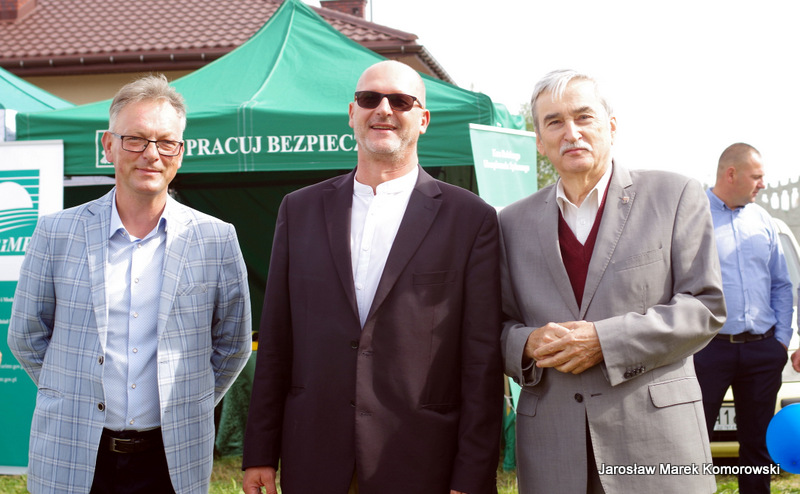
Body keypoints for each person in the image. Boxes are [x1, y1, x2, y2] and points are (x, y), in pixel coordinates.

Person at [241, 60, 503, 494]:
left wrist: (472, 474)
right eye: (369, 99)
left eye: (400, 101)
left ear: (423, 119)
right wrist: (260, 453)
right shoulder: (299, 210)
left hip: (422, 460)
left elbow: (481, 360)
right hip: (315, 456)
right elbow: (276, 341)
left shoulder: (471, 219)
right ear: (352, 113)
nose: (383, 109)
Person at [7, 74, 252, 494]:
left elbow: (233, 345)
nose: (151, 154)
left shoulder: (216, 239)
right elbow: (26, 336)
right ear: (108, 145)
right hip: (73, 452)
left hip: (172, 459)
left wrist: (187, 401)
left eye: (166, 142)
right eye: (135, 139)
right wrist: (72, 393)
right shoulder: (56, 233)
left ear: (180, 152)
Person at [499, 69, 726, 493]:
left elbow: (704, 307)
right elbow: (494, 326)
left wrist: (605, 341)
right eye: (554, 122)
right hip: (552, 452)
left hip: (655, 446)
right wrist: (526, 343)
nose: (571, 133)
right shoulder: (510, 223)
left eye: (584, 117)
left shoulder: (674, 195)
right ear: (539, 141)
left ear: (612, 126)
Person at [694, 143, 793, 494]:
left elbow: (782, 284)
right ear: (731, 174)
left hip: (762, 351)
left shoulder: (763, 220)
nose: (762, 184)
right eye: (757, 177)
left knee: (757, 445)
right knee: (692, 440)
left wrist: (781, 341)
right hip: (708, 351)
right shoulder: (694, 217)